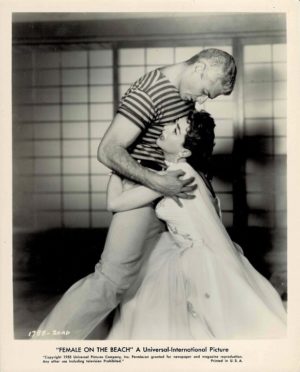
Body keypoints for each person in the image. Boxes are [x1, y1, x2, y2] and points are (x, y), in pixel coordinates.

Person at [31, 48, 237, 339]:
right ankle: (44, 346)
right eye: (205, 91)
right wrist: (156, 182)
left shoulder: (187, 92)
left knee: (164, 281)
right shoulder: (149, 91)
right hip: (146, 186)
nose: (202, 101)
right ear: (199, 68)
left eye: (209, 98)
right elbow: (107, 150)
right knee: (112, 280)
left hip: (170, 191)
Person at [105, 110, 286, 339]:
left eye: (176, 129)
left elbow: (115, 203)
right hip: (192, 252)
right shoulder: (192, 172)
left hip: (196, 262)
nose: (166, 127)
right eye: (172, 123)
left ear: (184, 151)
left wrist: (117, 163)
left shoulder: (177, 176)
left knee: (162, 317)